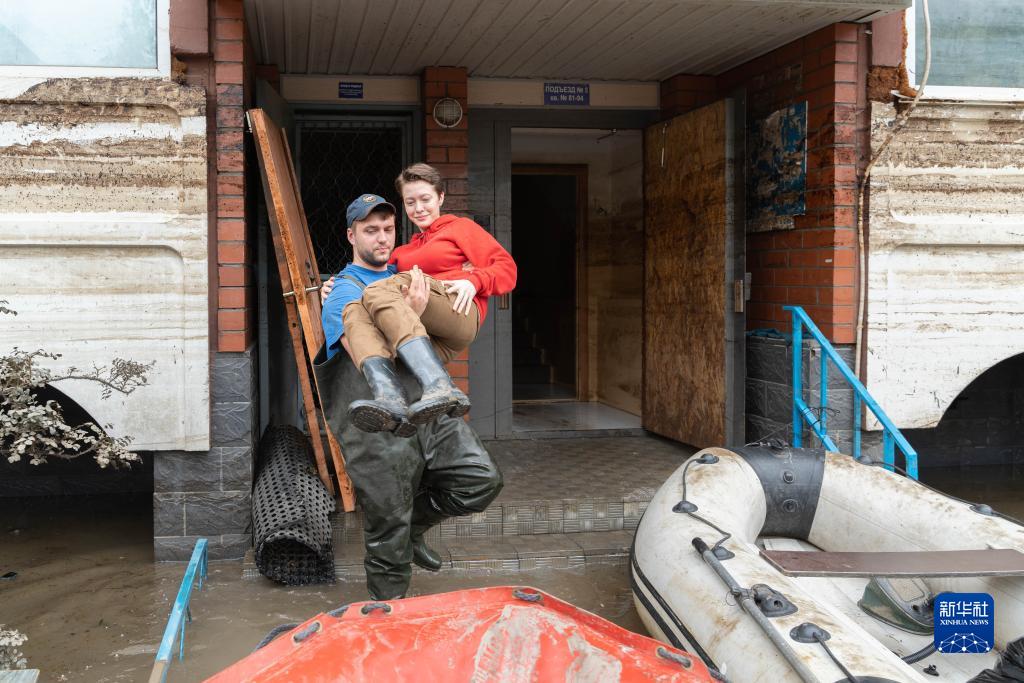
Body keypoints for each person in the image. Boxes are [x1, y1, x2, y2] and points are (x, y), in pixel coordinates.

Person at [314, 194, 503, 600]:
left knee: (480, 480)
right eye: (370, 230)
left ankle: (413, 530)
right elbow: (360, 355)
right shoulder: (341, 292)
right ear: (351, 236)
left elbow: (436, 338)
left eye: (387, 229)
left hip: (427, 410)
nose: (382, 238)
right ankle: (388, 615)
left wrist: (468, 280)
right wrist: (412, 315)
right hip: (378, 427)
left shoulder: (410, 276)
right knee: (388, 528)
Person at [339, 163, 516, 435]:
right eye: (410, 202)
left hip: (458, 311)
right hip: (426, 334)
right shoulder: (403, 252)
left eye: (425, 199)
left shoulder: (460, 228)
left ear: (440, 198)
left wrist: (474, 280)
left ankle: (439, 385)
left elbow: (507, 269)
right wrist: (335, 283)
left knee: (380, 290)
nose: (419, 208)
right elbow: (376, 280)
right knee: (353, 309)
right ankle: (391, 399)